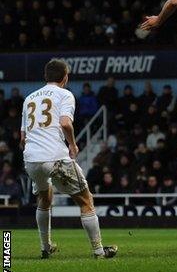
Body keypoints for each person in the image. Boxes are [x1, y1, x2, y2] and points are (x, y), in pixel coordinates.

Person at [21, 59, 117, 259]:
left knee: (44, 198)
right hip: (55, 156)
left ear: (45, 76)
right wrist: (72, 144)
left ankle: (46, 247)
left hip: (31, 157)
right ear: (65, 77)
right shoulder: (65, 94)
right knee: (85, 199)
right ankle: (99, 251)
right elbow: (65, 124)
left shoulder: (29, 98)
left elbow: (22, 138)